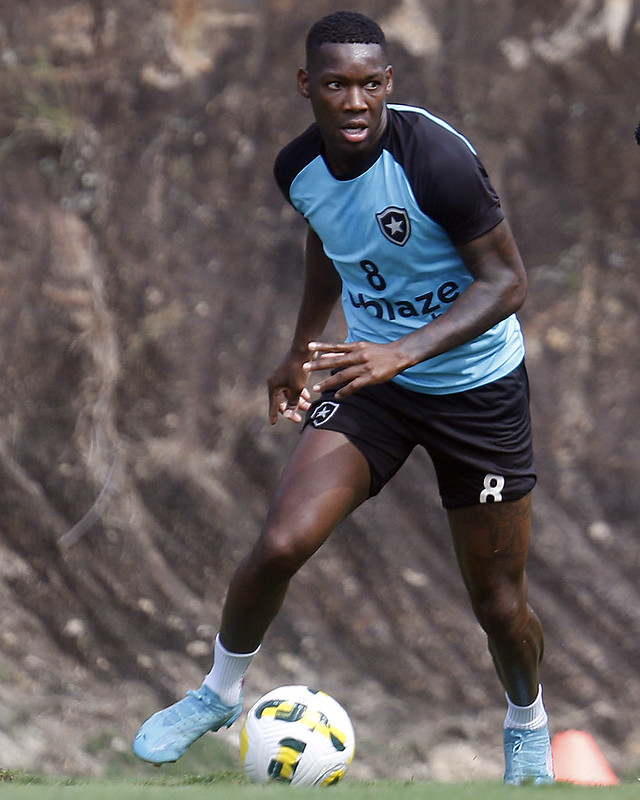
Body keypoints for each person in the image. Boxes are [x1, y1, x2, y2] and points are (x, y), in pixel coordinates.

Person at [133, 11, 554, 785]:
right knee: (283, 543)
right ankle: (219, 693)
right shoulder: (298, 169)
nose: (354, 101)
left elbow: (508, 283)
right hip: (372, 384)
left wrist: (402, 351)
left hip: (477, 391)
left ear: (388, 84)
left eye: (369, 84)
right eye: (335, 84)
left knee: (498, 605)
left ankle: (526, 719)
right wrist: (299, 349)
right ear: (307, 86)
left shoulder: (438, 161)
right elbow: (330, 239)